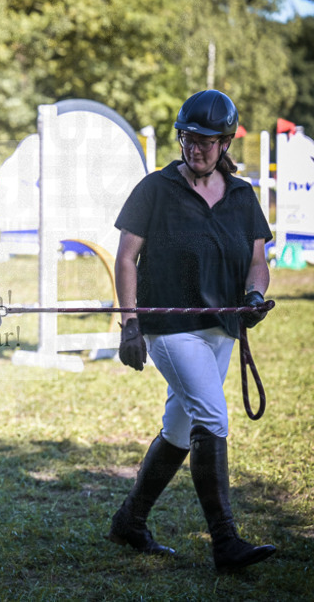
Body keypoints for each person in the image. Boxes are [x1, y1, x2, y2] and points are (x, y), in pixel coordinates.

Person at [107, 89, 276, 573]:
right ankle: (226, 543)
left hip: (222, 328)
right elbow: (125, 258)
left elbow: (257, 261)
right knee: (212, 417)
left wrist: (253, 297)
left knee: (180, 430)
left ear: (225, 143)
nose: (195, 148)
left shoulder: (243, 197)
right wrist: (130, 323)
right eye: (188, 138)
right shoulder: (155, 189)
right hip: (169, 328)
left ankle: (130, 522)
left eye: (206, 141)